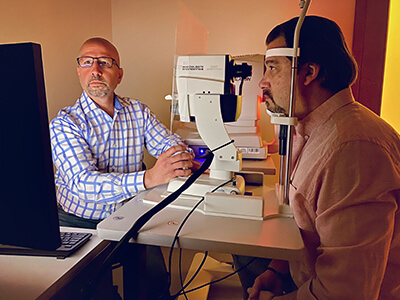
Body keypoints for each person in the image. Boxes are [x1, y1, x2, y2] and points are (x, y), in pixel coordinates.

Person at [247, 16, 400, 299]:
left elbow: (346, 291)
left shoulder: (353, 149)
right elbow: (308, 226)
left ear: (308, 73)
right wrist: (277, 270)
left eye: (272, 68)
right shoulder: (308, 129)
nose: (262, 82)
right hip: (303, 279)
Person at [50, 37, 196, 299]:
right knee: (97, 292)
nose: (95, 69)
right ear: (79, 71)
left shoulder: (137, 111)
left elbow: (170, 143)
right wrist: (148, 178)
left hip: (130, 215)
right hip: (80, 222)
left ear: (119, 75)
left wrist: (179, 157)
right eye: (87, 61)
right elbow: (84, 184)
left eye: (105, 62)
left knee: (155, 283)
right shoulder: (64, 124)